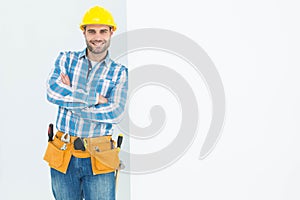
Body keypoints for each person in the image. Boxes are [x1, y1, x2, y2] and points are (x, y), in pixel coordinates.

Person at [44, 5, 128, 200]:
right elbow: (52, 91)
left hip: (100, 155)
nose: (97, 37)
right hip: (63, 151)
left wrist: (71, 98)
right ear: (84, 32)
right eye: (91, 31)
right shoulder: (66, 59)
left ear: (111, 32)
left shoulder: (119, 72)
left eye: (102, 31)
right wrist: (94, 99)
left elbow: (115, 112)